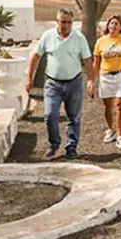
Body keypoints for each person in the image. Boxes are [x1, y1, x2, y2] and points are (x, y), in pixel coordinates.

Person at [26, 8, 91, 159]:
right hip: (53, 84)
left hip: (74, 82)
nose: (65, 25)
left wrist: (91, 81)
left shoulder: (79, 38)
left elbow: (87, 60)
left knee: (73, 117)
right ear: (57, 22)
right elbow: (35, 57)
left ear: (72, 23)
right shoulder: (48, 36)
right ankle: (53, 144)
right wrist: (29, 78)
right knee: (50, 115)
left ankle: (71, 147)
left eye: (68, 22)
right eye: (63, 22)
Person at [88, 14, 121, 149]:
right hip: (106, 77)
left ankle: (120, 136)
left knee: (120, 105)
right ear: (108, 26)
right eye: (111, 24)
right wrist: (91, 80)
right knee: (108, 106)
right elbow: (96, 63)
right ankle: (110, 129)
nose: (113, 26)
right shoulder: (101, 42)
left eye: (116, 24)